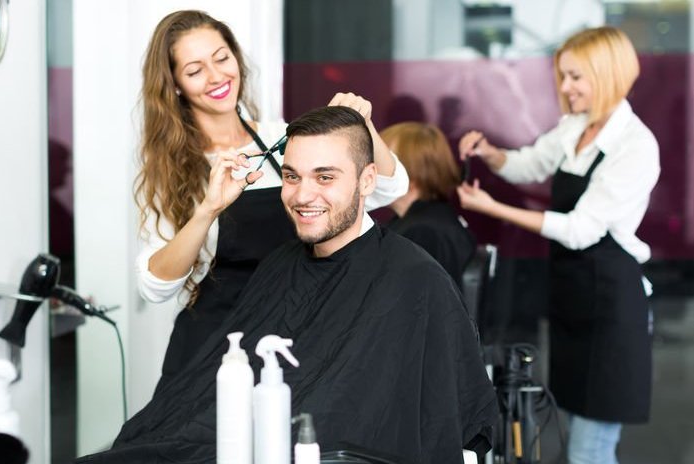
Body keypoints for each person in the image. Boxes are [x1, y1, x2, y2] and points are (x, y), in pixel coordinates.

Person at [78, 106, 497, 464]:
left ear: (368, 180)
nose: (302, 195)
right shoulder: (281, 264)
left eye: (325, 177)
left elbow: (449, 420)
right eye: (292, 177)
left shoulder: (414, 278)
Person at [135, 10, 408, 384]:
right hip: (216, 348)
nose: (217, 77)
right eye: (195, 70)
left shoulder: (285, 140)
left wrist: (360, 125)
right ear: (176, 84)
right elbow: (154, 285)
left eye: (222, 58)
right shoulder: (173, 168)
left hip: (298, 335)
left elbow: (391, 188)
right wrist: (209, 209)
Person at [457, 26, 658, 463]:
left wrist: (494, 209)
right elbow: (530, 164)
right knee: (577, 438)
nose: (564, 88)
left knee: (591, 450)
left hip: (611, 312)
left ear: (607, 75)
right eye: (562, 76)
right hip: (575, 302)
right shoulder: (577, 127)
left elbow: (581, 228)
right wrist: (492, 154)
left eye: (575, 77)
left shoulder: (635, 146)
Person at [382, 122, 476, 287]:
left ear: (412, 171)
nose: (370, 169)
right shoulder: (419, 221)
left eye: (382, 161)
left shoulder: (425, 233)